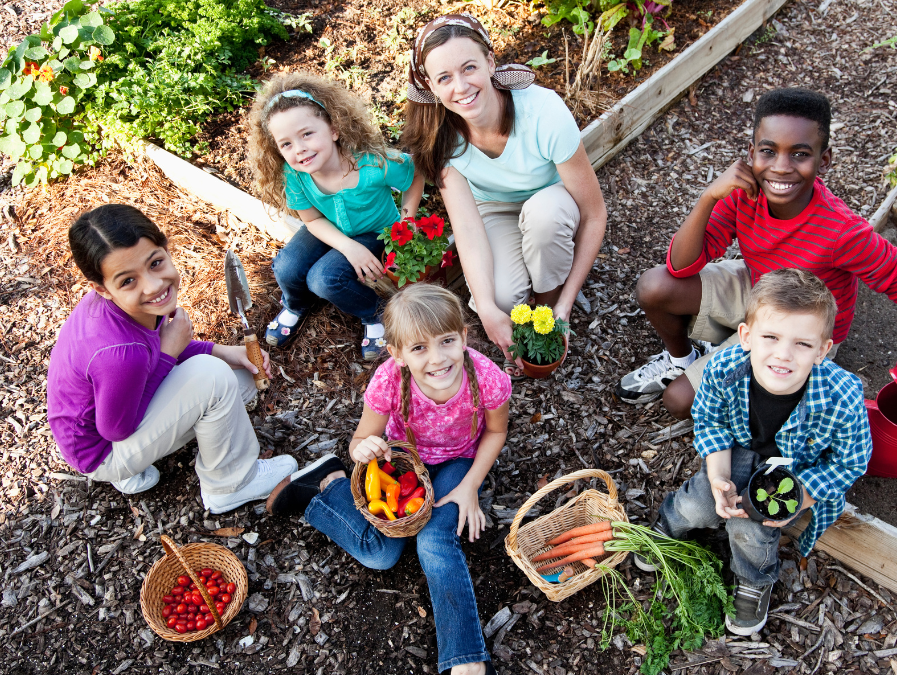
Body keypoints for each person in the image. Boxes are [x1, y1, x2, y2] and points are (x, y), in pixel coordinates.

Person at [615, 88, 897, 448]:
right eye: (768, 151)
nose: (781, 166)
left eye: (799, 154)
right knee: (655, 286)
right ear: (750, 155)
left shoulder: (841, 232)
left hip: (800, 323)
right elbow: (680, 265)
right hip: (759, 288)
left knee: (680, 402)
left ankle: (759, 400)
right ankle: (682, 359)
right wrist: (709, 197)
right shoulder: (742, 195)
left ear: (823, 161)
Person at [264, 284, 510, 675]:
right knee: (380, 555)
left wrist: (470, 487)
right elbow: (361, 439)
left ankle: (466, 660)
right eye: (418, 348)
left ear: (464, 335)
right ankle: (328, 487)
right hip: (400, 464)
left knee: (434, 539)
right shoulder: (389, 382)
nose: (437, 358)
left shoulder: (488, 378)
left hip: (458, 464)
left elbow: (496, 432)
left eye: (447, 340)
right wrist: (362, 450)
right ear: (396, 354)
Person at [646, 268, 872, 636]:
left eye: (802, 343)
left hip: (793, 472)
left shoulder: (843, 395)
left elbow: (851, 461)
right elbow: (711, 422)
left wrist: (799, 498)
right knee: (699, 503)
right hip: (735, 452)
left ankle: (754, 579)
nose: (783, 355)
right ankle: (668, 524)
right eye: (771, 337)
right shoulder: (723, 368)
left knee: (751, 528)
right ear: (746, 336)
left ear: (823, 350)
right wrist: (718, 475)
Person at [46, 204, 297, 512]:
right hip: (103, 452)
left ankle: (135, 469)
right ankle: (231, 484)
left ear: (166, 248)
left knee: (239, 377)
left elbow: (156, 351)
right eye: (128, 281)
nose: (152, 285)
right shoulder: (119, 355)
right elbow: (116, 429)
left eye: (155, 263)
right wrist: (170, 354)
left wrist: (223, 351)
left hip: (97, 424)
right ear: (102, 288)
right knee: (214, 378)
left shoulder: (123, 309)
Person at [399, 13, 606, 368]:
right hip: (495, 209)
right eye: (444, 78)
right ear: (431, 86)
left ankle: (548, 300)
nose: (461, 87)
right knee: (501, 299)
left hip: (553, 201)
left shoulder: (543, 112)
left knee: (544, 219)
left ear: (490, 62)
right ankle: (533, 286)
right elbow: (466, 228)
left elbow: (594, 213)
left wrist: (564, 303)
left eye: (469, 68)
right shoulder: (440, 137)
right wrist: (489, 311)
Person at [246, 72, 425, 360]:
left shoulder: (371, 164)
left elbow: (414, 174)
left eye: (307, 134)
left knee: (326, 279)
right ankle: (296, 304)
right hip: (328, 227)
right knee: (286, 266)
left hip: (375, 230)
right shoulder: (294, 175)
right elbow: (313, 220)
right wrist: (347, 246)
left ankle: (375, 314)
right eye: (286, 144)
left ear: (334, 129)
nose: (300, 149)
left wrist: (407, 220)